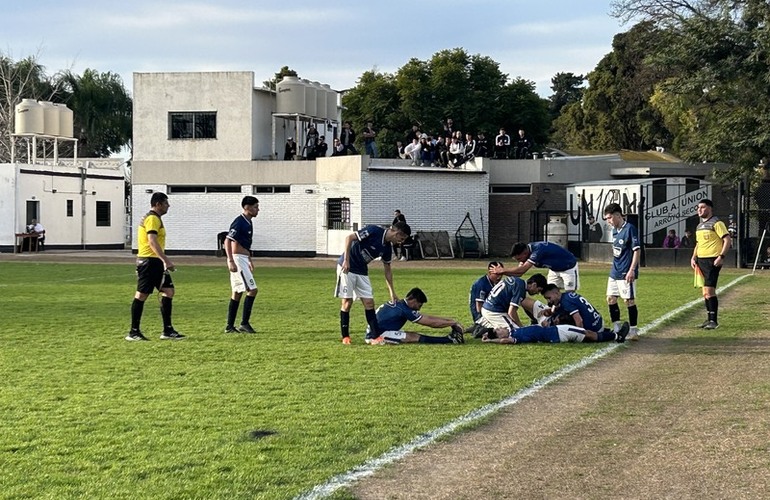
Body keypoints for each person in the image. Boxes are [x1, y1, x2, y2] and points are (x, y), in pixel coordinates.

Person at [335, 220, 412, 344]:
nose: (401, 242)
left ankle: (375, 337)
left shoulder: (387, 248)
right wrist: (346, 260)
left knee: (369, 303)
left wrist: (392, 292)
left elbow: (388, 270)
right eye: (401, 238)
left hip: (362, 271)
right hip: (347, 267)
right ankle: (345, 337)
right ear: (396, 233)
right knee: (347, 302)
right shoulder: (374, 231)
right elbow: (349, 238)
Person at [126, 192, 184, 341]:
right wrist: (166, 260)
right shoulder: (152, 219)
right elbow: (152, 241)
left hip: (154, 262)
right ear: (158, 204)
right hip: (149, 261)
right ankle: (133, 332)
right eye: (166, 203)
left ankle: (167, 330)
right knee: (141, 295)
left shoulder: (154, 218)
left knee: (169, 291)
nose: (168, 206)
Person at [364, 287, 465, 345]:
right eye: (419, 305)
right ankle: (449, 340)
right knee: (413, 337)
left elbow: (428, 318)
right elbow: (431, 323)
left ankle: (449, 339)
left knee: (411, 335)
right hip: (376, 335)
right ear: (413, 300)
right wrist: (453, 323)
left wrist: (451, 321)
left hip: (377, 331)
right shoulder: (404, 309)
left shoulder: (401, 305)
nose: (419, 308)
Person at [691, 198, 732, 330]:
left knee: (709, 290)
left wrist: (721, 256)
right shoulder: (699, 226)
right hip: (701, 260)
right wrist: (693, 257)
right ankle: (709, 319)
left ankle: (713, 320)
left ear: (710, 208)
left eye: (702, 207)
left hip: (712, 260)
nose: (699, 210)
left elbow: (727, 240)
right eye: (698, 208)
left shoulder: (717, 223)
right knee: (705, 292)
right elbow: (698, 244)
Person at [604, 203, 641, 340]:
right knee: (610, 298)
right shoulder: (614, 231)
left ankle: (633, 330)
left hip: (626, 271)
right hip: (614, 271)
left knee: (629, 301)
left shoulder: (630, 229)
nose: (608, 221)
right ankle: (617, 327)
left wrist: (632, 270)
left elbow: (636, 250)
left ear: (617, 215)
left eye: (609, 218)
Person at [541, 284, 628, 342]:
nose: (548, 301)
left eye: (549, 298)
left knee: (563, 322)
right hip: (598, 320)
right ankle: (607, 332)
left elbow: (579, 320)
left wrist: (579, 336)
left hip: (593, 327)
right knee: (560, 318)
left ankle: (615, 336)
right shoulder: (566, 296)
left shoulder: (566, 302)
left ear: (556, 293)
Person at [224, 196, 260, 334]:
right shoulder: (239, 222)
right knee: (252, 290)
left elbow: (245, 244)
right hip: (238, 260)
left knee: (237, 292)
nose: (258, 209)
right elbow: (228, 240)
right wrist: (230, 260)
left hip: (243, 258)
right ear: (247, 207)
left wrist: (250, 259)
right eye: (256, 207)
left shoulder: (248, 222)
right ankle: (244, 323)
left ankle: (229, 326)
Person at [496, 241, 580, 291]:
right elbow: (519, 273)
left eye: (519, 259)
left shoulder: (538, 250)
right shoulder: (527, 253)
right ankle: (554, 314)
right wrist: (502, 273)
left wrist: (502, 271)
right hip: (554, 269)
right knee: (549, 292)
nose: (520, 261)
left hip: (568, 267)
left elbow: (522, 270)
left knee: (570, 293)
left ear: (525, 252)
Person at [468, 261, 505, 327]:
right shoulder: (481, 284)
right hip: (481, 316)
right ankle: (479, 327)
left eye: (501, 274)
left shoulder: (495, 282)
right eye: (497, 274)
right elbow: (479, 308)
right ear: (489, 272)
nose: (499, 277)